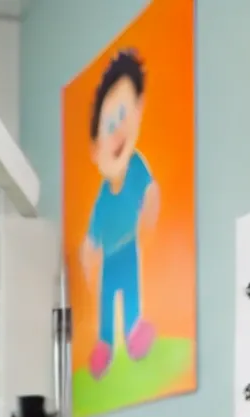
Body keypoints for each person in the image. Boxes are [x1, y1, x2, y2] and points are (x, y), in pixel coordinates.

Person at [81, 48, 160, 379]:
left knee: (131, 291)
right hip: (110, 256)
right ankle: (104, 343)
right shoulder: (102, 196)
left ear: (139, 111)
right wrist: (88, 253)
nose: (118, 130)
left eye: (124, 115)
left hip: (127, 248)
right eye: (109, 124)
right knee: (105, 300)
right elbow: (92, 233)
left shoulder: (137, 166)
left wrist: (150, 212)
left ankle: (133, 330)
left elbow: (151, 192)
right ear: (95, 150)